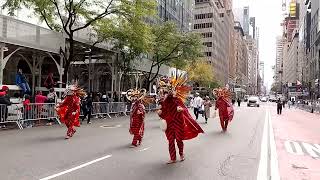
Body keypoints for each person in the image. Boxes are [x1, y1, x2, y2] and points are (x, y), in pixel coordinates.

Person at [157, 75, 204, 164]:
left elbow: (185, 110)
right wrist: (160, 113)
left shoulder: (177, 100)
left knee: (179, 140)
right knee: (170, 141)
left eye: (170, 91)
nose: (168, 93)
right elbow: (163, 114)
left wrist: (181, 109)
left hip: (178, 123)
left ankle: (181, 154)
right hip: (169, 124)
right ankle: (173, 158)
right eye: (167, 91)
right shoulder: (164, 102)